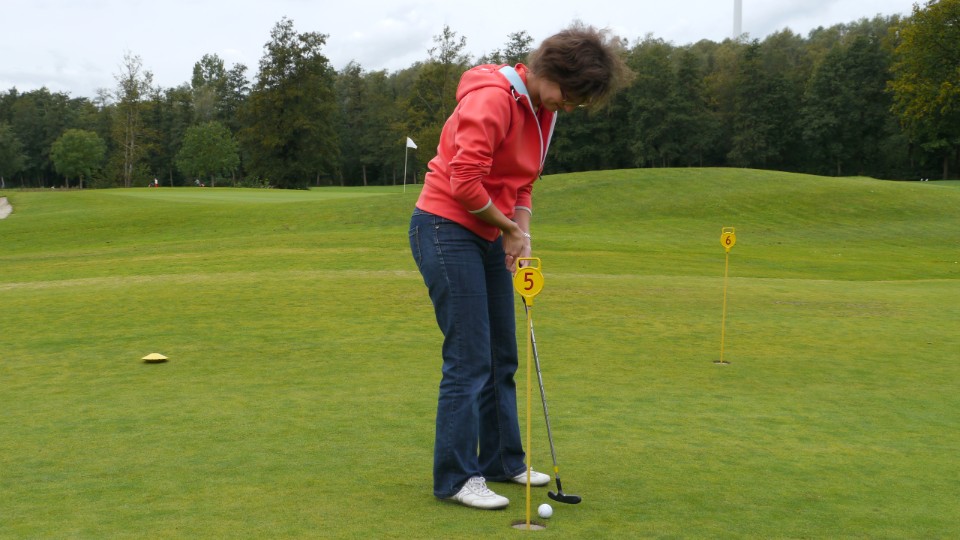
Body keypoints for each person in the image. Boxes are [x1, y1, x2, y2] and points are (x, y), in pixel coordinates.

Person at [408, 23, 632, 510]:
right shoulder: (491, 100)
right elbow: (465, 182)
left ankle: (502, 460)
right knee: (469, 358)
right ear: (550, 71)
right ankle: (456, 478)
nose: (570, 106)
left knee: (501, 356)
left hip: (489, 230)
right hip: (445, 227)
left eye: (579, 102)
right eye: (569, 94)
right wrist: (507, 228)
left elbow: (523, 183)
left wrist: (521, 232)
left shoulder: (544, 113)